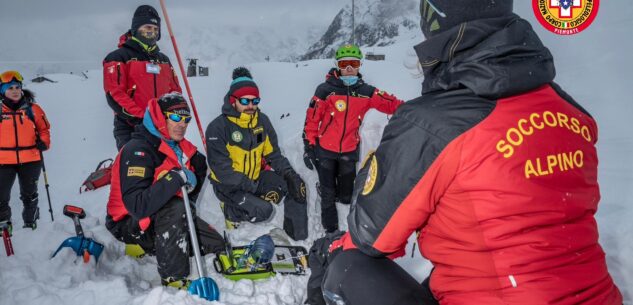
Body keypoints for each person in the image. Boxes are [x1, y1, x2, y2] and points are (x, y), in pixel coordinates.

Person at [312, 1, 624, 305]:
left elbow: (371, 236)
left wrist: (386, 157)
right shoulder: (572, 112)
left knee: (345, 266)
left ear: (432, 18)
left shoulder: (433, 123)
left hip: (495, 295)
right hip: (598, 295)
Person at [106, 93, 224, 289]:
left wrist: (190, 186)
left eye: (186, 119)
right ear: (160, 117)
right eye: (175, 117)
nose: (182, 124)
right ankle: (173, 278)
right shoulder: (138, 150)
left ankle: (171, 235)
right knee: (176, 206)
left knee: (216, 245)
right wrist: (175, 178)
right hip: (129, 223)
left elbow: (200, 166)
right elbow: (138, 206)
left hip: (164, 214)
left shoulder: (176, 145)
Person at [302, 44, 403, 233]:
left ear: (359, 65)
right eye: (344, 63)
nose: (349, 68)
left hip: (349, 150)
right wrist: (309, 145)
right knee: (329, 194)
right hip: (325, 150)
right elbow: (312, 119)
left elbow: (391, 104)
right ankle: (330, 231)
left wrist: (412, 110)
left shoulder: (366, 92)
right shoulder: (325, 90)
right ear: (337, 65)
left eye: (353, 64)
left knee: (347, 196)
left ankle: (336, 191)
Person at [206, 67, 308, 241]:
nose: (250, 106)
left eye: (255, 101)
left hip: (253, 178)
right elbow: (223, 171)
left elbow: (273, 155)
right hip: (228, 186)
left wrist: (291, 176)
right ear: (233, 101)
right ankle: (232, 211)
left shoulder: (262, 122)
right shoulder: (218, 127)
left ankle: (297, 239)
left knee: (295, 187)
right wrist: (252, 187)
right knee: (264, 210)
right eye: (245, 101)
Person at [103, 4, 181, 150]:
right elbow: (114, 93)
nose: (152, 32)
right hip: (131, 126)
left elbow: (175, 92)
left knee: (167, 169)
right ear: (136, 28)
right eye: (147, 27)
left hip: (164, 126)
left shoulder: (163, 60)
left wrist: (175, 115)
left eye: (155, 29)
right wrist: (142, 117)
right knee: (137, 169)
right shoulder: (119, 57)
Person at [0, 70, 50, 233]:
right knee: (1, 196)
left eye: (17, 87)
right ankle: (3, 223)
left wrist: (44, 142)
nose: (14, 90)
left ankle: (31, 220)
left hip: (31, 158)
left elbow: (44, 129)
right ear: (2, 90)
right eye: (10, 88)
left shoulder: (33, 109)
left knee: (29, 194)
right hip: (3, 160)